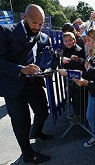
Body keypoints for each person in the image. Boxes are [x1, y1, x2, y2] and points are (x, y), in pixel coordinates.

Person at [0, 4, 54, 163]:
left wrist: (50, 68)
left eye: (41, 23)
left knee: (43, 112)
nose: (37, 26)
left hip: (34, 83)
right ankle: (28, 154)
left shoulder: (44, 37)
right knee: (21, 121)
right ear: (24, 17)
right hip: (13, 86)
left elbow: (49, 58)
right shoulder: (5, 32)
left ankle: (36, 132)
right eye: (34, 22)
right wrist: (20, 69)